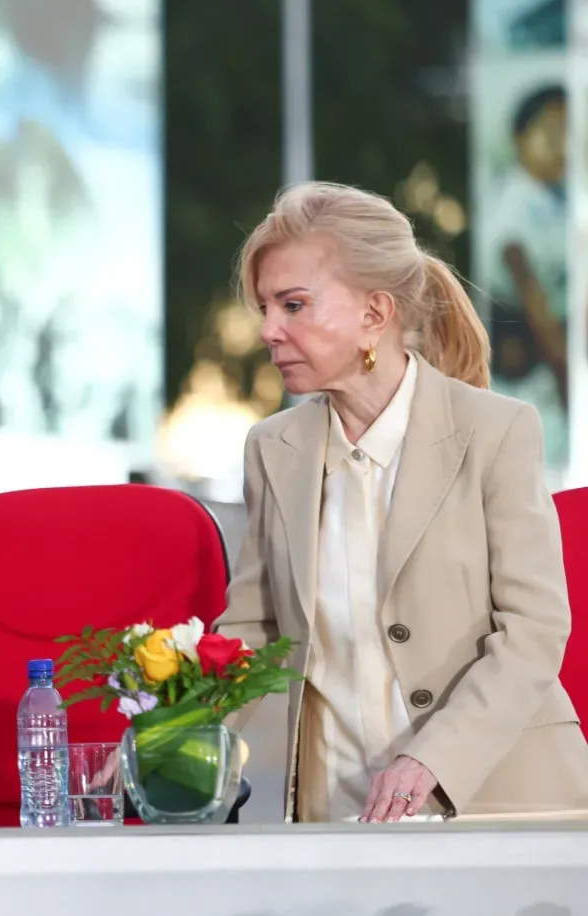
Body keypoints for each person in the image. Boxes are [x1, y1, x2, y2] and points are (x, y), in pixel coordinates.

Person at [219, 181, 588, 824]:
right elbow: (253, 633)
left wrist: (433, 760)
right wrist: (171, 738)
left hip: (500, 803)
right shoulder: (271, 449)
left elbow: (534, 630)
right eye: (264, 308)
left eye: (294, 304)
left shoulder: (498, 430)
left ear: (374, 312)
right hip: (337, 812)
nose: (269, 331)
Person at [484, 84, 568, 468]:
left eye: (567, 134)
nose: (561, 147)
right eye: (549, 134)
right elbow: (534, 300)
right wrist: (568, 377)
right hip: (533, 375)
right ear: (520, 138)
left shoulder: (561, 200)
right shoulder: (512, 205)